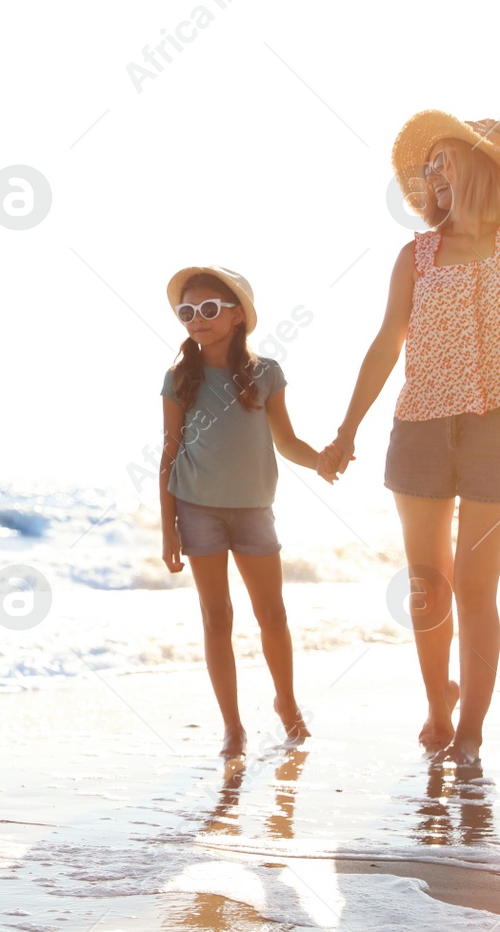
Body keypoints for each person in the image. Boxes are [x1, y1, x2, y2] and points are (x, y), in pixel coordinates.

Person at [320, 111, 500, 768]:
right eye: (426, 165)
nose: (433, 171)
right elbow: (386, 344)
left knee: (474, 588)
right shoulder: (415, 256)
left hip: (497, 433)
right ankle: (438, 702)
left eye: (444, 156)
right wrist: (348, 427)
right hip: (421, 431)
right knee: (428, 585)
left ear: (477, 158)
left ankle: (471, 732)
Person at [158, 266, 322, 758]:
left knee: (272, 614)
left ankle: (287, 703)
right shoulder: (178, 378)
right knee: (217, 618)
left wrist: (323, 460)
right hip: (197, 509)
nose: (197, 320)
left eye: (208, 309)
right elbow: (168, 455)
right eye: (187, 312)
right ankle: (233, 727)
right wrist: (168, 530)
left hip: (254, 510)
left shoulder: (266, 373)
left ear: (236, 316)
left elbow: (288, 442)